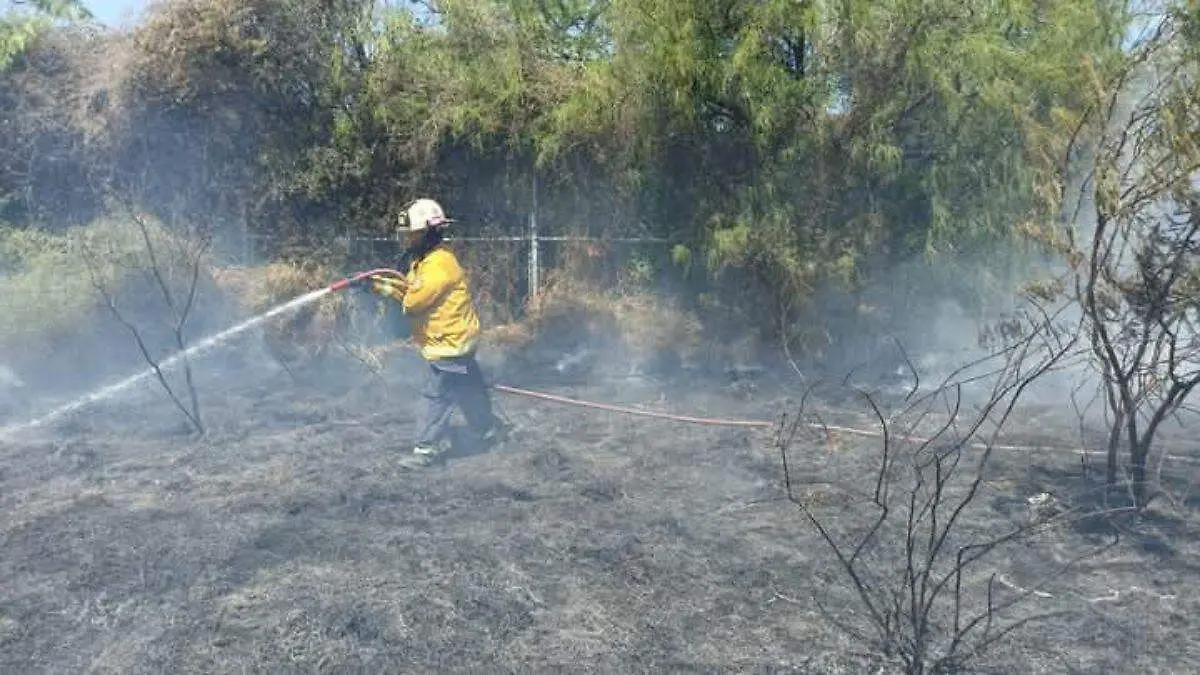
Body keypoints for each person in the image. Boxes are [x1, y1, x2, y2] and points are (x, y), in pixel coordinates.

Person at [360, 198, 503, 468]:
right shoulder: (425, 261)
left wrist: (387, 289)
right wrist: (379, 285)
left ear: (427, 233)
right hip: (457, 340)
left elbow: (414, 303)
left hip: (449, 344)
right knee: (467, 388)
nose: (406, 240)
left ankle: (425, 449)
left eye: (411, 234)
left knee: (436, 394)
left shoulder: (438, 264)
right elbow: (412, 289)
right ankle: (485, 431)